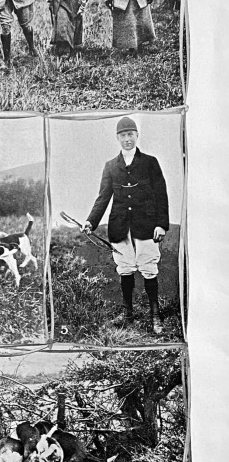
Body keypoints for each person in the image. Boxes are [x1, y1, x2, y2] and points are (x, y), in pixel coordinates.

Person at [82, 115, 169, 334]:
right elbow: (103, 197)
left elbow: (161, 195)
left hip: (147, 225)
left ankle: (155, 316)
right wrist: (91, 221)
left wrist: (161, 224)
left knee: (149, 268)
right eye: (123, 135)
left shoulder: (150, 162)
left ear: (137, 136)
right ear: (117, 138)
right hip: (120, 226)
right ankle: (128, 315)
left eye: (130, 134)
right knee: (125, 269)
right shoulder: (111, 166)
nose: (127, 139)